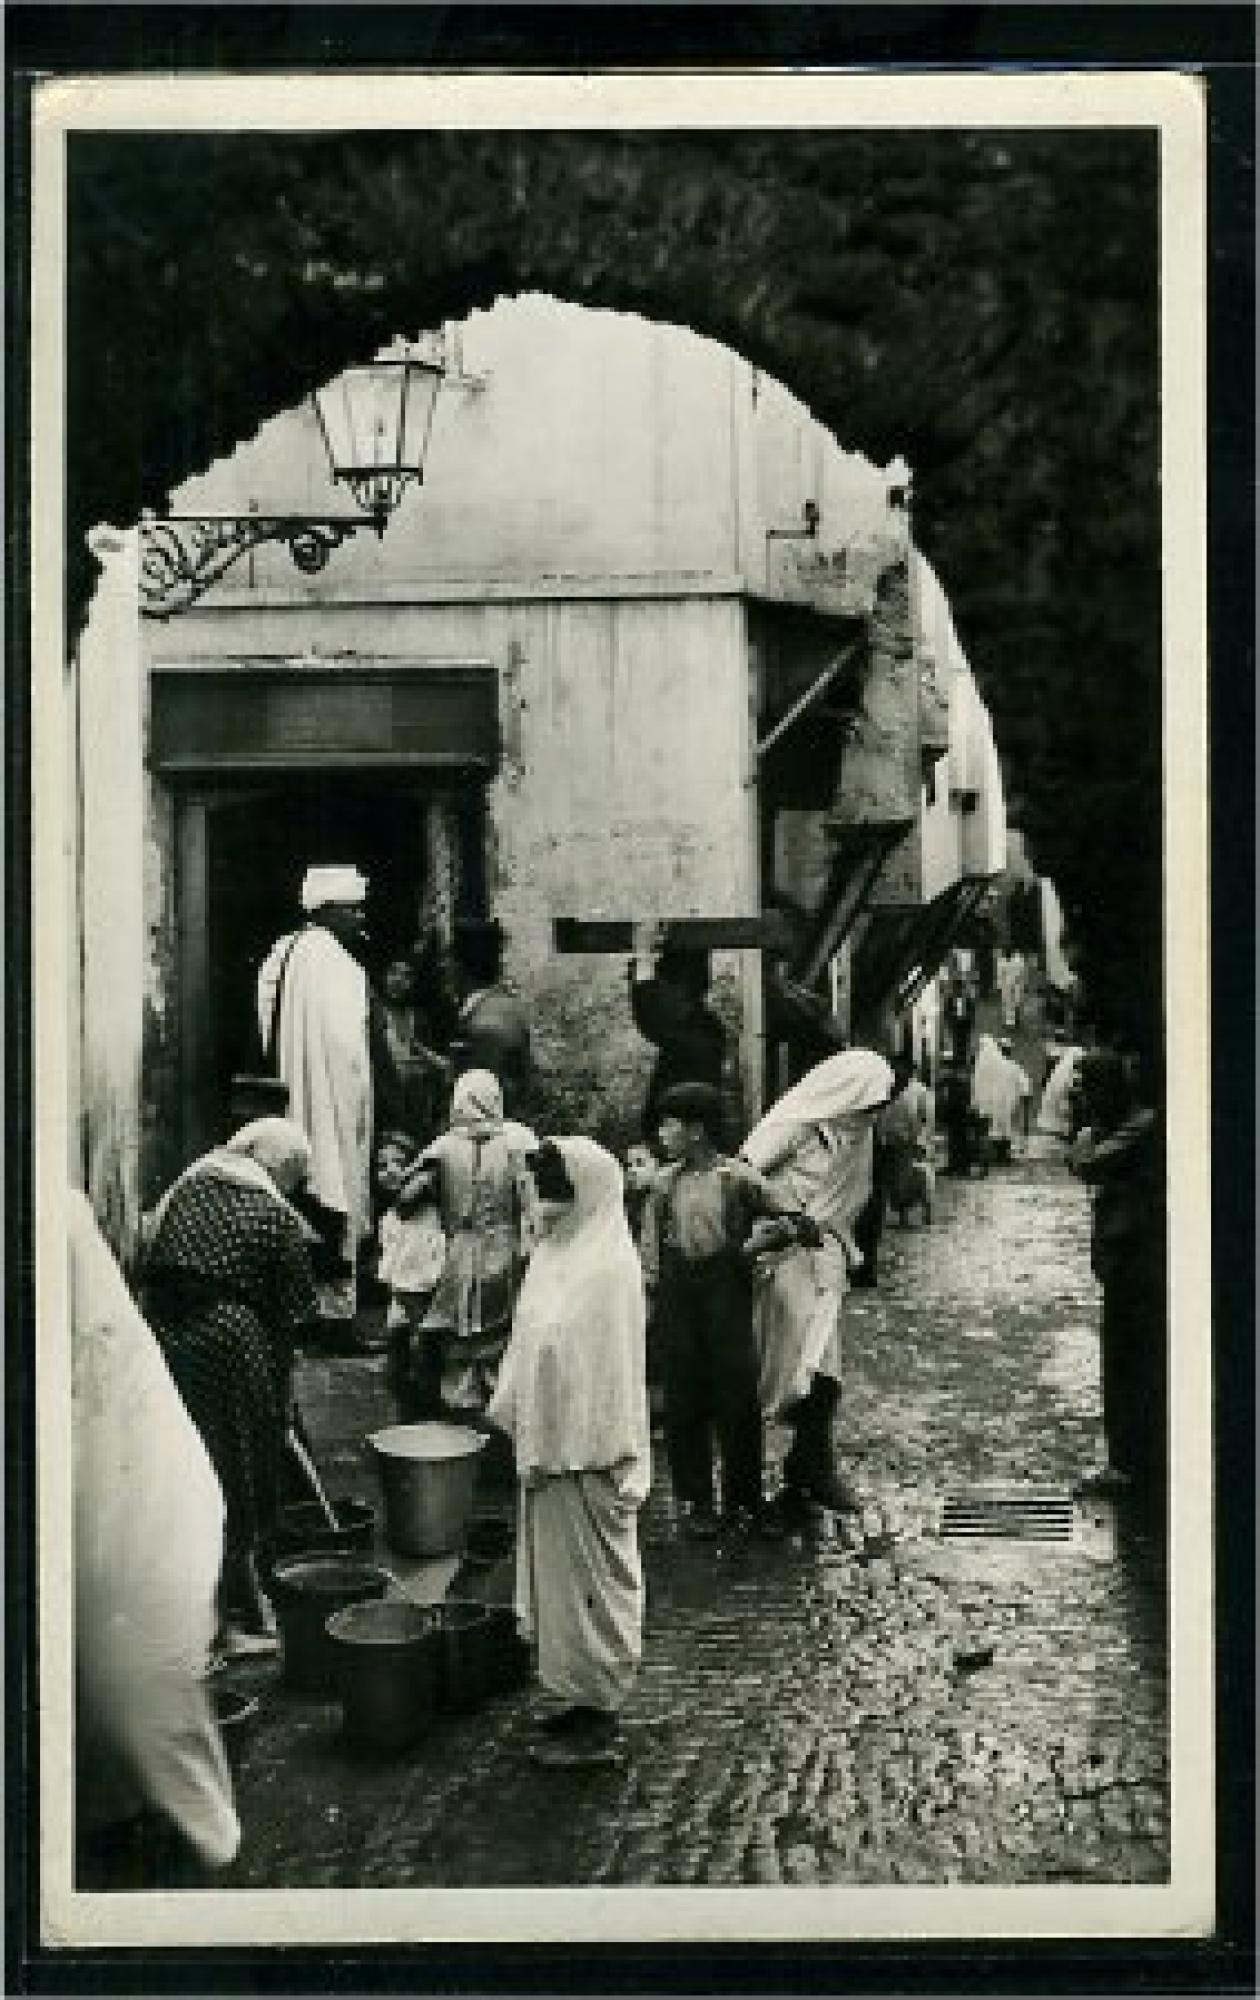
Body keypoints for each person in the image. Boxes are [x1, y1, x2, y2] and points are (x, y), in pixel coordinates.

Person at [71, 1191, 240, 1889]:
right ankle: (124, 1818)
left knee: (145, 1690)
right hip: (128, 1530)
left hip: (144, 1537)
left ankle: (202, 1846)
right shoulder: (101, 1346)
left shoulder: (107, 1359)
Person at [487, 1138, 651, 1767]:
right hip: (549, 1447)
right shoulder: (552, 1256)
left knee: (596, 1587)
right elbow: (530, 1340)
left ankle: (597, 1720)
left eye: (558, 1187)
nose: (545, 1199)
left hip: (589, 1453)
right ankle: (572, 1698)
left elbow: (599, 1370)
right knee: (560, 1588)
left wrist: (570, 1435)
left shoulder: (608, 1268)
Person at [140, 1119, 320, 1654]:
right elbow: (296, 1318)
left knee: (187, 1468)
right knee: (240, 1468)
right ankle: (240, 1611)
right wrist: (281, 1400)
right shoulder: (274, 1216)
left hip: (165, 1336)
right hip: (227, 1342)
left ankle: (211, 1603)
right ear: (282, 1169)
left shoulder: (192, 1182)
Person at [644, 1081, 820, 1539]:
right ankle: (697, 1500)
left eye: (670, 1124)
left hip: (727, 1294)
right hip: (679, 1297)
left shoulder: (737, 1179)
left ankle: (745, 1499)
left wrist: (762, 1242)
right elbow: (650, 1252)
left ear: (696, 1131)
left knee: (736, 1397)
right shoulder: (663, 1185)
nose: (662, 1133)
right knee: (684, 1402)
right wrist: (650, 1297)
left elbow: (796, 1220)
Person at [741, 1050, 894, 1518]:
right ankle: (769, 1474)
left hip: (824, 1254)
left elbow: (853, 1198)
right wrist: (785, 1215)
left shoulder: (856, 1138)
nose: (872, 1116)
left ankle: (811, 1464)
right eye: (867, 1104)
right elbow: (742, 1173)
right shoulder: (797, 1124)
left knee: (823, 1365)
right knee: (789, 1362)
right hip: (781, 1255)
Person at [256, 864, 373, 1324]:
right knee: (335, 1187)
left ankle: (301, 1312)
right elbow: (347, 1048)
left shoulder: (284, 953)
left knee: (302, 1193)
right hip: (332, 1098)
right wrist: (362, 1096)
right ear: (328, 911)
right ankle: (336, 1317)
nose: (360, 919)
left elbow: (266, 1021)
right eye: (353, 910)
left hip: (296, 1092)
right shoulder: (337, 963)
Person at [394, 1070, 537, 1422]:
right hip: (505, 1244)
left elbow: (406, 1197)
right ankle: (497, 1404)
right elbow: (531, 1196)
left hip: (459, 1248)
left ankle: (462, 1402)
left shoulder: (442, 1147)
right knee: (501, 1326)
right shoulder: (517, 1141)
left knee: (459, 1326)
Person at [1069, 1052, 1166, 1509]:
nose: (1084, 1100)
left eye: (1089, 1089)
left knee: (1131, 1367)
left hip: (1140, 1265)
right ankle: (1131, 1461)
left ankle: (1131, 1465)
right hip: (1123, 1264)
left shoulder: (1143, 1127)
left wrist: (1088, 1134)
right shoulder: (1123, 1126)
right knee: (1125, 1365)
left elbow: (1085, 1161)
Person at [374, 1128, 448, 1421]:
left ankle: (425, 1417)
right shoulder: (390, 1216)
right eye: (382, 1165)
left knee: (420, 1358)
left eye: (399, 1163)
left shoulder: (423, 1217)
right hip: (400, 1302)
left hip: (418, 1299)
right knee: (396, 1370)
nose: (390, 1171)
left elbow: (419, 1281)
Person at [628, 925, 727, 1136]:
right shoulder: (703, 1029)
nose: (658, 997)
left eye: (662, 987)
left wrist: (643, 955)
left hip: (682, 1147)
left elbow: (653, 1019)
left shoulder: (698, 1037)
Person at [449, 919, 532, 1117]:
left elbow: (482, 1098)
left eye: (450, 961)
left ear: (461, 967)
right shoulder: (505, 1006)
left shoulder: (485, 1026)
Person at [375, 956, 452, 1149]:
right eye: (393, 972)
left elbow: (435, 1065)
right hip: (382, 1106)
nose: (398, 981)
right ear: (384, 976)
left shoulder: (418, 1019)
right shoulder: (374, 1016)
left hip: (414, 1109)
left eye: (406, 975)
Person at [878, 1054, 936, 1224]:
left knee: (912, 1178)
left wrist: (922, 1141)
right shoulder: (887, 1090)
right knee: (894, 1180)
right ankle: (902, 1214)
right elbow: (881, 1116)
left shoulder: (920, 1091)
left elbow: (927, 1119)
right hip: (890, 1143)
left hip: (911, 1143)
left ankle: (925, 1210)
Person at [970, 1031, 1027, 1165]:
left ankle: (998, 1154)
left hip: (997, 1103)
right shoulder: (1012, 1067)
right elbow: (1025, 1086)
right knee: (1004, 1127)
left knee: (998, 1127)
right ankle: (1002, 1155)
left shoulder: (989, 1067)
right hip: (1006, 1103)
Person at [995, 946, 1027, 1031]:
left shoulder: (1018, 959)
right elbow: (1000, 975)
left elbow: (1022, 972)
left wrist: (1022, 984)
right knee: (1007, 1003)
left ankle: (1016, 1020)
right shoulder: (1001, 961)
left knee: (1017, 1002)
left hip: (1017, 984)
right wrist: (1000, 986)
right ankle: (1009, 1023)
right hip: (1006, 985)